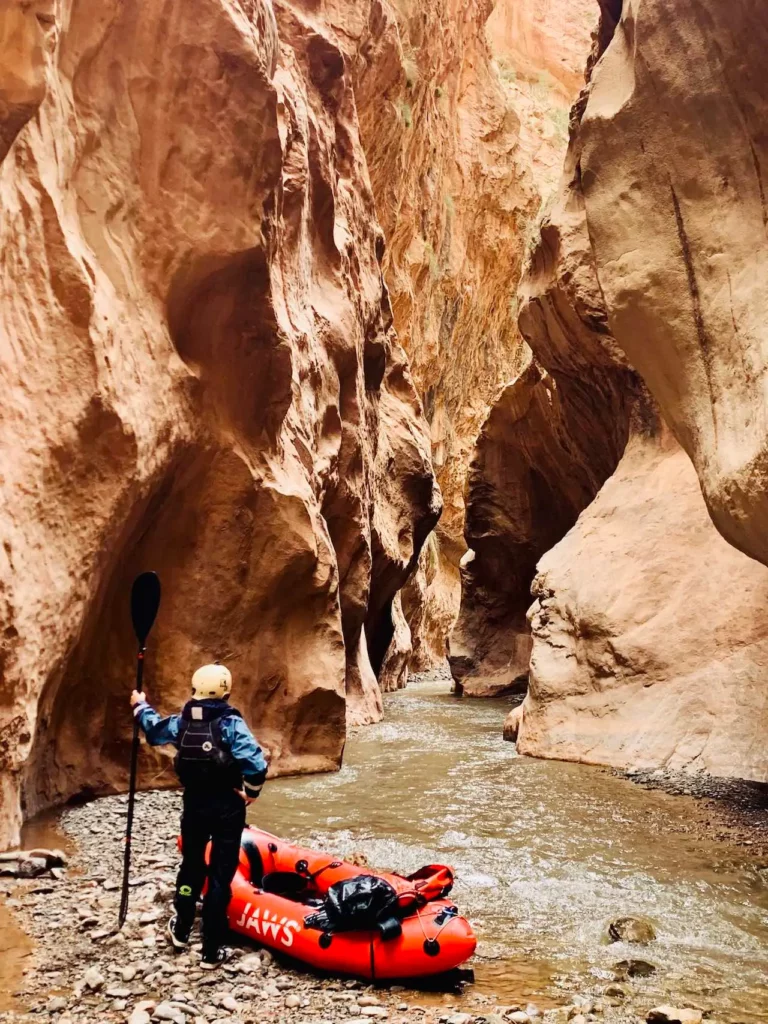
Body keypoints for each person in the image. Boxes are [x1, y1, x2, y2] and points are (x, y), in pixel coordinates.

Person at [130, 662, 267, 968]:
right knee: (220, 875)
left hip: (194, 805)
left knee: (191, 866)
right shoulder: (230, 724)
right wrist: (252, 793)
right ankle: (211, 948)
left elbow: (153, 730)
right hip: (227, 808)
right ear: (225, 691)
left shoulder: (183, 722)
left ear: (196, 689)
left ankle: (181, 929)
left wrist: (140, 706)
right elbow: (255, 764)